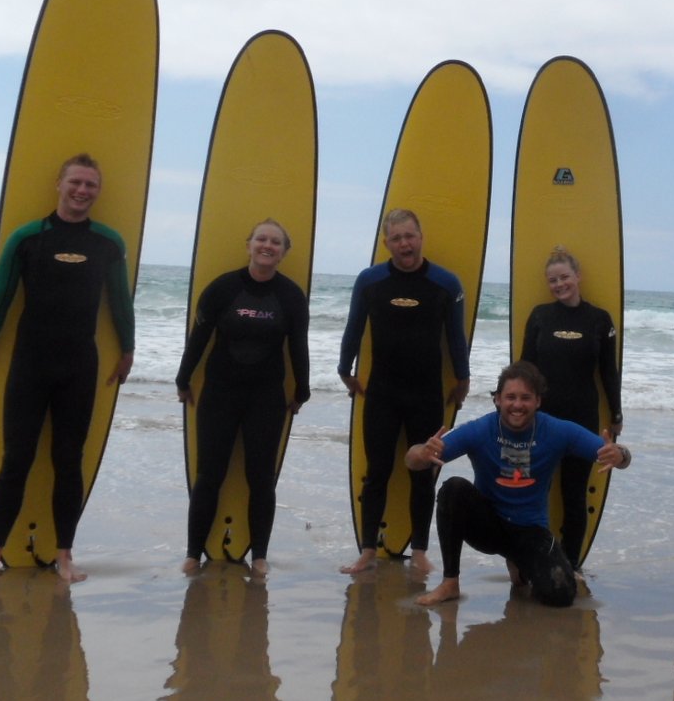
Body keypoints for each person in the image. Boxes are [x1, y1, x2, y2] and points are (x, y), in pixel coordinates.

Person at [0, 154, 134, 584]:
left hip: (80, 365)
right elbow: (0, 298)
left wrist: (128, 349)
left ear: (98, 191)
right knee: (15, 459)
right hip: (29, 362)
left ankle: (65, 556)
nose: (82, 191)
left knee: (68, 461)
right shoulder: (27, 238)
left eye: (91, 184)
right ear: (59, 183)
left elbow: (120, 303)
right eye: (76, 182)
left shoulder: (109, 243)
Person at [409, 361, 632, 607]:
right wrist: (421, 452)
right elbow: (413, 461)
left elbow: (615, 455)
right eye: (510, 397)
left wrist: (620, 455)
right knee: (453, 489)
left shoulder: (556, 430)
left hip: (530, 530)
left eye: (525, 398)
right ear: (497, 400)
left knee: (560, 595)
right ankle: (450, 583)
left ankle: (520, 564)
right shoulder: (480, 429)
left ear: (537, 401)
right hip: (489, 526)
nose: (517, 405)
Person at [175, 219, 311, 578]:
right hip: (220, 393)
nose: (268, 246)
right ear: (249, 244)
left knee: (261, 477)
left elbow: (298, 346)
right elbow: (199, 336)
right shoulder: (222, 288)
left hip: (266, 397)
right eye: (262, 239)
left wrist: (303, 390)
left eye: (276, 242)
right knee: (210, 475)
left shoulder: (291, 295)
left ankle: (260, 556)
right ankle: (192, 554)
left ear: (283, 252)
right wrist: (183, 377)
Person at [338, 208, 471, 575]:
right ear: (386, 243)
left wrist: (463, 379)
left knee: (423, 471)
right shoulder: (370, 281)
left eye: (409, 235)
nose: (404, 244)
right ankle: (367, 550)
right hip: (381, 392)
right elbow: (354, 328)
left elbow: (455, 338)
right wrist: (343, 369)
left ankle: (420, 550)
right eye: (396, 238)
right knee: (376, 471)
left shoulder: (446, 283)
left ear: (420, 236)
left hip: (427, 393)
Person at [520, 246, 622, 570]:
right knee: (535, 490)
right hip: (542, 419)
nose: (559, 284)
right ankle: (535, 558)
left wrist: (616, 413)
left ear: (578, 277)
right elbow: (524, 367)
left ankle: (571, 564)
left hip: (582, 418)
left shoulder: (599, 319)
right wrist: (513, 406)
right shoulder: (539, 316)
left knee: (574, 495)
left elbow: (609, 371)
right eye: (553, 280)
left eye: (564, 277)